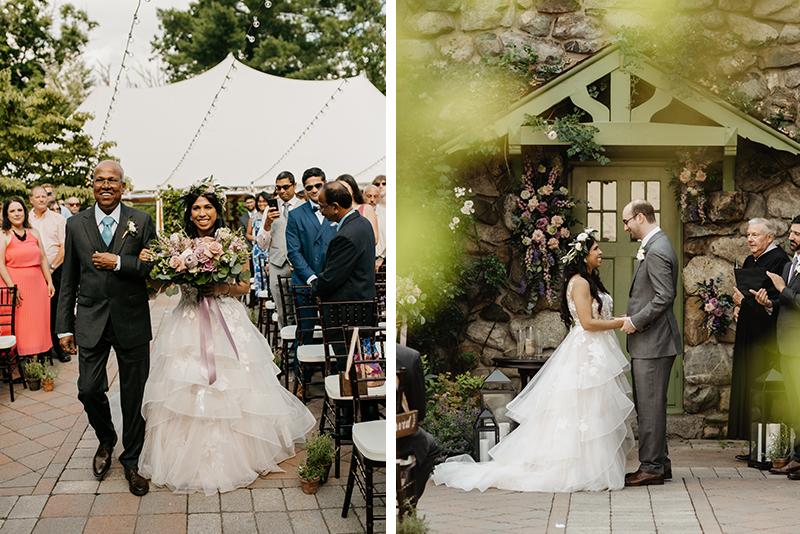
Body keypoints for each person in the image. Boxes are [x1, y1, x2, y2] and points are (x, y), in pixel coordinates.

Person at [136, 181, 315, 495]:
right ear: (189, 213)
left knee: (234, 386)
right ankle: (183, 457)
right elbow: (161, 287)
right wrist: (158, 269)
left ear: (217, 210)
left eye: (208, 207)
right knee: (186, 385)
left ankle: (242, 454)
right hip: (188, 320)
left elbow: (244, 285)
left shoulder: (231, 242)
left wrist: (219, 288)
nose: (202, 213)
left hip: (225, 320)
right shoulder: (176, 244)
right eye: (196, 208)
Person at [432, 230, 634, 492]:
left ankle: (594, 466)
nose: (601, 253)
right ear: (584, 255)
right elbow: (586, 322)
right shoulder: (581, 283)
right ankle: (580, 469)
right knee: (585, 408)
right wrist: (621, 322)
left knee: (594, 409)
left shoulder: (589, 281)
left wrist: (617, 319)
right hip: (587, 352)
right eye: (596, 249)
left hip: (595, 351)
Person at [56, 160, 156, 497]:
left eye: (113, 180)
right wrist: (63, 329)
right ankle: (106, 438)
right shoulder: (75, 224)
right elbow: (67, 278)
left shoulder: (140, 220)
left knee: (134, 393)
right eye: (100, 180)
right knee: (87, 388)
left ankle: (131, 460)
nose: (106, 185)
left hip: (131, 318)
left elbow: (152, 267)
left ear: (123, 186)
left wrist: (119, 262)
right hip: (90, 319)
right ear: (92, 184)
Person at [620, 200, 682, 487]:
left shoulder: (656, 249)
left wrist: (635, 321)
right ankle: (661, 463)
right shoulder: (657, 245)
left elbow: (664, 296)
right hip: (653, 341)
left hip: (654, 341)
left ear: (641, 217)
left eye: (627, 221)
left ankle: (652, 467)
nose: (625, 227)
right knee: (651, 405)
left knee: (650, 406)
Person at [728, 218, 790, 448]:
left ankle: (772, 449)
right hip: (749, 333)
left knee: (766, 393)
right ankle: (756, 446)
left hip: (767, 337)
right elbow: (746, 294)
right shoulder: (749, 260)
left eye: (755, 235)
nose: (750, 239)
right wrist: (739, 307)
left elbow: (776, 301)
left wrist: (749, 302)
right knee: (750, 389)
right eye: (748, 235)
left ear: (769, 237)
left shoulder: (779, 261)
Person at [753, 215, 800, 479]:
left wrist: (782, 290)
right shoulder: (791, 265)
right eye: (792, 233)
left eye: (797, 234)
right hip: (787, 345)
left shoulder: (785, 273)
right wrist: (768, 303)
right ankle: (798, 455)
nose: (792, 238)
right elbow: (785, 304)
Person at [0, 197, 56, 361]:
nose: (17, 214)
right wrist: (12, 288)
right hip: (15, 284)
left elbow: (44, 258)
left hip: (37, 285)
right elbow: (0, 264)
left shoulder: (34, 232)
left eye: (19, 210)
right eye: (12, 211)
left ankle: (35, 361)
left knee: (37, 323)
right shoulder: (3, 235)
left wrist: (49, 282)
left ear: (25, 211)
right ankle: (16, 363)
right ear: (6, 215)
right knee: (18, 324)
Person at [312, 181, 376, 301]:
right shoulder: (363, 222)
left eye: (322, 206)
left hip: (347, 308)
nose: (320, 211)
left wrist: (314, 288)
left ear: (335, 207)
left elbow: (332, 278)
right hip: (362, 302)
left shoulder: (345, 236)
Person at [256, 171, 304, 328]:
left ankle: (302, 345)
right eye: (278, 188)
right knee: (282, 310)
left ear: (294, 186)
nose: (282, 191)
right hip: (277, 264)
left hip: (300, 264)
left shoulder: (304, 206)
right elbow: (261, 244)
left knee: (302, 308)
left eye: (286, 187)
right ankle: (287, 348)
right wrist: (267, 224)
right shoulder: (268, 210)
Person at [28, 186, 70, 363]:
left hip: (56, 269)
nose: (41, 199)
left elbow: (64, 246)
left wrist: (51, 268)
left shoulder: (58, 219)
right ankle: (39, 348)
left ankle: (57, 346)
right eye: (37, 197)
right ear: (31, 199)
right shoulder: (25, 219)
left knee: (55, 309)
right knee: (36, 311)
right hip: (31, 272)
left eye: (44, 196)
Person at [397, 344, 441, 504]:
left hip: (371, 432)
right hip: (399, 437)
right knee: (429, 446)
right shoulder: (409, 356)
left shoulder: (367, 352)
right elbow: (419, 413)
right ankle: (408, 503)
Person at [246, 191, 270, 297]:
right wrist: (256, 238)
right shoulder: (253, 217)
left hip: (270, 248)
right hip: (258, 249)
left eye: (264, 201)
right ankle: (261, 297)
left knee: (270, 273)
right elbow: (247, 234)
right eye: (259, 202)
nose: (261, 204)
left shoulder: (272, 215)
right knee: (259, 272)